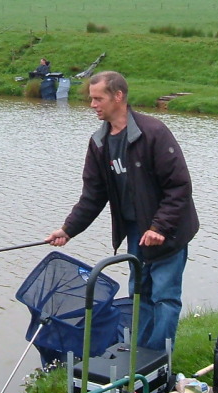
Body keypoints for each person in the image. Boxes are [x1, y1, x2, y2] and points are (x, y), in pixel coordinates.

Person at [46, 71, 199, 352]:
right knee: (139, 295)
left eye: (98, 98)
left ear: (118, 96)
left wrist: (159, 227)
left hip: (169, 232)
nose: (92, 104)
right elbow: (93, 196)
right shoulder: (99, 143)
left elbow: (179, 187)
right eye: (91, 99)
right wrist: (68, 230)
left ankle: (158, 360)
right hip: (134, 233)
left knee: (164, 297)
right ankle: (138, 355)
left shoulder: (153, 132)